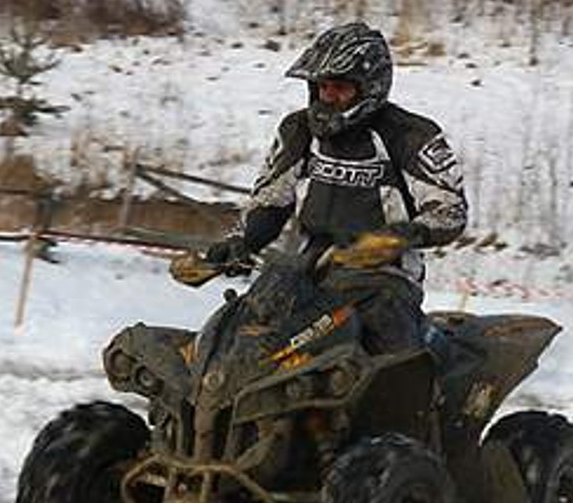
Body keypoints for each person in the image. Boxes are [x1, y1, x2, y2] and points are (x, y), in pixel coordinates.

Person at [181, 22, 469, 354]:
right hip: (308, 271)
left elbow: (450, 209)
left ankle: (421, 402)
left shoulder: (410, 134)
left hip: (385, 278)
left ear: (368, 87)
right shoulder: (297, 130)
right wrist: (239, 242)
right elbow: (270, 199)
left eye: (340, 88)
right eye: (321, 86)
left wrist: (401, 236)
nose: (328, 97)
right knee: (243, 333)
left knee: (386, 356)